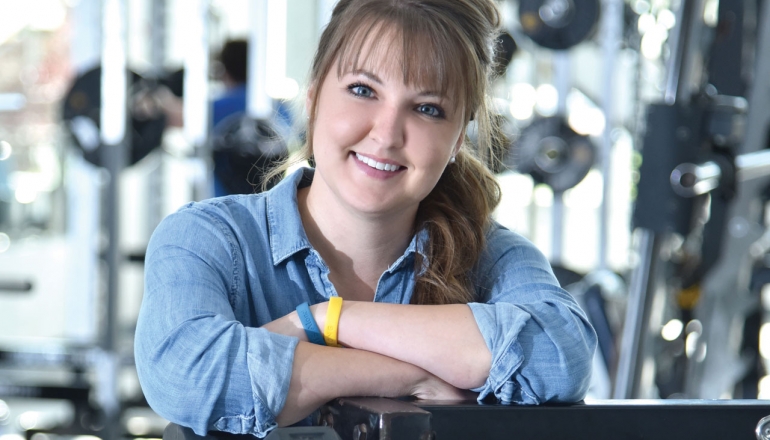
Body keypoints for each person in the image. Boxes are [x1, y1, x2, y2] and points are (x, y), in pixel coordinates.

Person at [134, 0, 597, 438]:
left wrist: (327, 320)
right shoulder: (209, 238)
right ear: (313, 100)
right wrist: (410, 376)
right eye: (363, 90)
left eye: (427, 108)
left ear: (458, 139)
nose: (387, 133)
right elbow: (184, 373)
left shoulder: (491, 255)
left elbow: (562, 356)